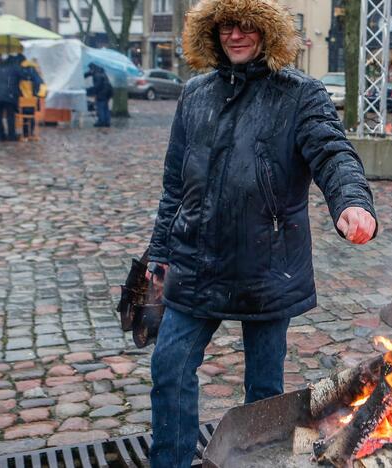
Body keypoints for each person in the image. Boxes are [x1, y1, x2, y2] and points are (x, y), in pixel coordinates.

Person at [144, 0, 377, 465]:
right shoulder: (195, 94)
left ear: (268, 31)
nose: (236, 35)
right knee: (169, 369)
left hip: (268, 265)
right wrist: (159, 252)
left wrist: (352, 200)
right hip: (196, 261)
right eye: (227, 25)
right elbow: (175, 184)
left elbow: (333, 153)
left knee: (264, 392)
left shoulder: (301, 94)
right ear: (210, 31)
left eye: (248, 25)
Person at [0, 55, 22, 141]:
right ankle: (11, 136)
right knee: (10, 116)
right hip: (9, 95)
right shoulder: (15, 68)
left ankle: (1, 136)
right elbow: (22, 76)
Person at [17, 54, 47, 139]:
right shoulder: (34, 74)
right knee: (32, 115)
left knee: (24, 116)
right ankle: (32, 132)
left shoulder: (20, 73)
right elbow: (42, 86)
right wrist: (41, 95)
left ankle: (25, 133)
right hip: (33, 101)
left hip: (22, 102)